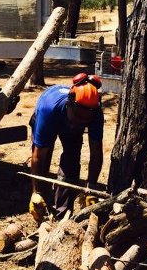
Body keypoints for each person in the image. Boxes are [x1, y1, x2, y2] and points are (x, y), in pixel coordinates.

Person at [28, 73, 104, 221]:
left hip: (67, 121)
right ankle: (42, 204)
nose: (79, 122)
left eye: (84, 120)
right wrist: (36, 192)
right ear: (69, 103)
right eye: (77, 116)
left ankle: (62, 214)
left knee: (71, 160)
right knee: (44, 155)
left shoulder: (95, 114)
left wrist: (91, 188)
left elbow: (96, 153)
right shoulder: (48, 109)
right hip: (50, 115)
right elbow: (38, 155)